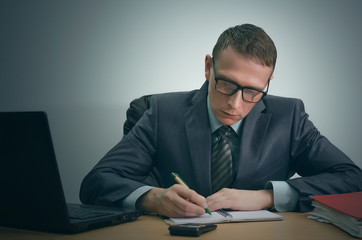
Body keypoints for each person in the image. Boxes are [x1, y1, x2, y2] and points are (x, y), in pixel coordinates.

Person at [80, 23, 362, 218]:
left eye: (252, 91)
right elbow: (96, 182)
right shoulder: (159, 112)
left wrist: (267, 197)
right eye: (226, 84)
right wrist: (152, 199)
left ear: (268, 83)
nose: (234, 104)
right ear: (207, 67)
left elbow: (352, 179)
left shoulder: (289, 117)